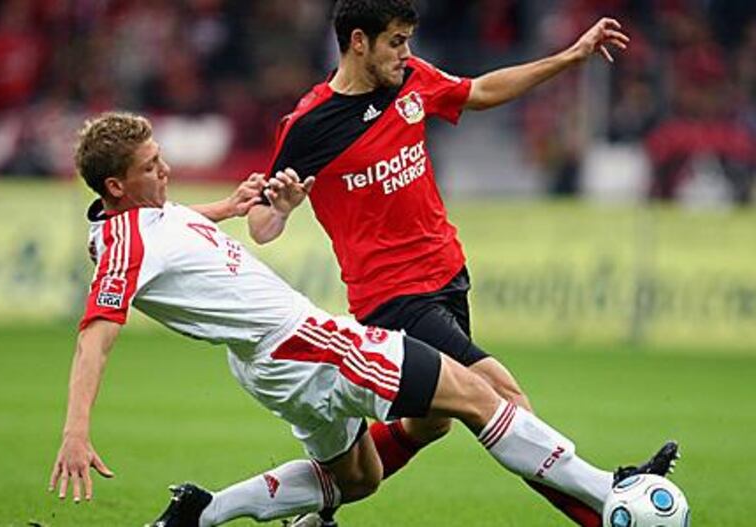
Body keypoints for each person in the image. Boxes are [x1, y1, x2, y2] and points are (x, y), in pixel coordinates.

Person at [48, 113, 678, 527]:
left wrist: (235, 206)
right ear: (115, 187)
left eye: (160, 155)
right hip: (308, 342)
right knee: (475, 394)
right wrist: (76, 432)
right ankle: (609, 493)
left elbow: (179, 229)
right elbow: (94, 340)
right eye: (150, 166)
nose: (165, 168)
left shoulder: (147, 221)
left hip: (268, 365)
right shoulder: (127, 243)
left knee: (357, 477)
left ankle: (202, 513)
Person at [247, 2, 630, 525]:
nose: (406, 53)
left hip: (447, 277)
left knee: (431, 424)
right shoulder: (309, 124)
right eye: (395, 42)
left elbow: (481, 92)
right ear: (359, 42)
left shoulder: (414, 80)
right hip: (393, 298)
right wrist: (283, 209)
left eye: (407, 40)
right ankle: (608, 504)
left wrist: (570, 57)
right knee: (502, 396)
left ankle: (314, 509)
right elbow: (262, 225)